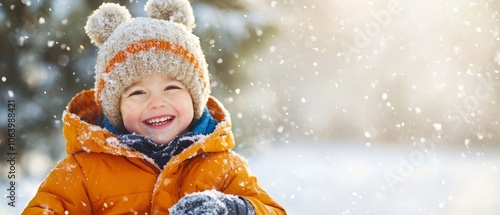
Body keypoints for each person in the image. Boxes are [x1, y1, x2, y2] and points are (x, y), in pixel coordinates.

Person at [22, 0, 286, 214]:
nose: (157, 102)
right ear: (117, 108)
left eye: (172, 88)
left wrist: (235, 210)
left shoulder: (224, 167)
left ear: (196, 98)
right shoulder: (83, 171)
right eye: (138, 92)